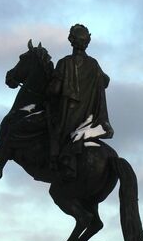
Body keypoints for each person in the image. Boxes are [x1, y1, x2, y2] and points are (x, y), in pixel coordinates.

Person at [47, 24, 114, 180]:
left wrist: (48, 88)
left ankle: (55, 159)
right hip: (89, 117)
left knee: (50, 125)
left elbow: (54, 90)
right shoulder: (94, 64)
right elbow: (106, 81)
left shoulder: (64, 63)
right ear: (87, 42)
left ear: (71, 40)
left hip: (68, 115)